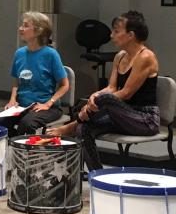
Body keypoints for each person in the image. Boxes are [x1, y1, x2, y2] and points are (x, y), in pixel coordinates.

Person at [51, 10, 159, 169]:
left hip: (144, 118)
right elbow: (112, 87)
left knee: (104, 100)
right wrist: (95, 96)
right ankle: (98, 175)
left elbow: (126, 93)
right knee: (84, 128)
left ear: (130, 35)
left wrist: (97, 101)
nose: (111, 35)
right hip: (122, 114)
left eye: (116, 31)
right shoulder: (120, 56)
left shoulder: (145, 57)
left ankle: (70, 126)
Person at [0, 11, 69, 136]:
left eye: (25, 26)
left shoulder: (50, 54)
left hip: (47, 107)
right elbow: (16, 81)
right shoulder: (19, 53)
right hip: (23, 106)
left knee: (27, 124)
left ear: (38, 31)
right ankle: (15, 146)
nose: (21, 28)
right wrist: (12, 99)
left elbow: (65, 85)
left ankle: (22, 149)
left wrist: (48, 103)